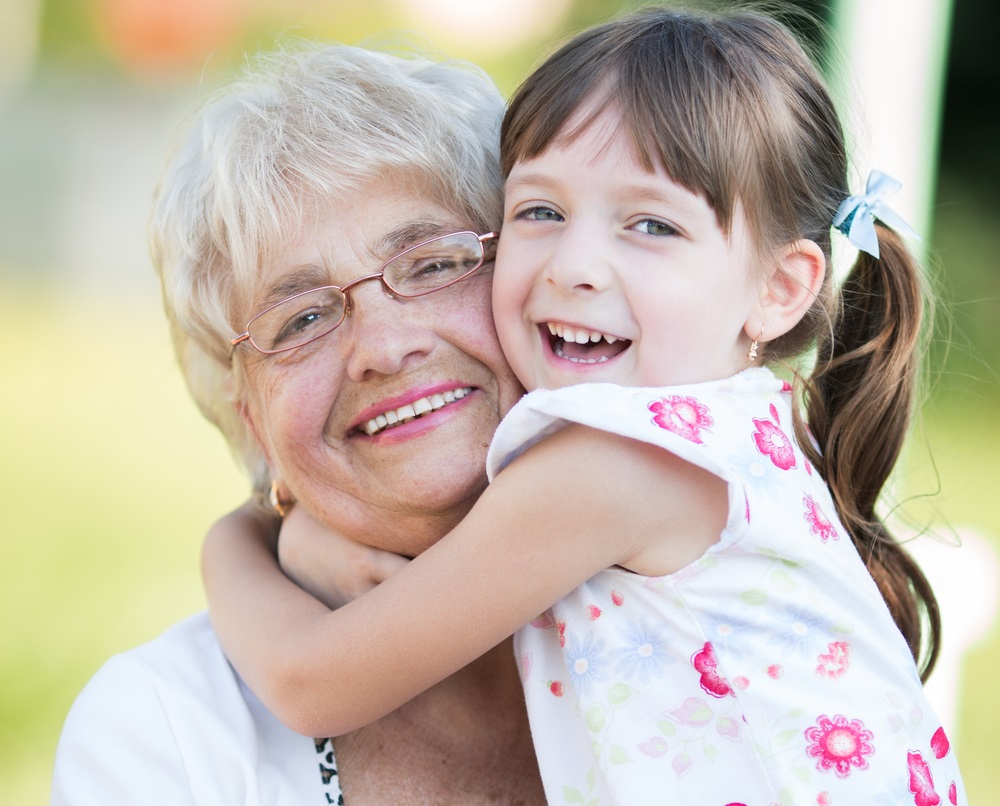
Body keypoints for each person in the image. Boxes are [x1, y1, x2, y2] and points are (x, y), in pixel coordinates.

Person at [203, 6, 968, 805]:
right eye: (540, 211)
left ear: (778, 289)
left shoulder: (614, 467)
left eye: (649, 224)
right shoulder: (739, 428)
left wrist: (238, 538)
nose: (575, 266)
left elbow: (309, 682)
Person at [50, 42, 546, 804]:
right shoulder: (166, 734)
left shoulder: (703, 576)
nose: (382, 346)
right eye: (303, 317)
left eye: (436, 263)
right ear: (250, 418)